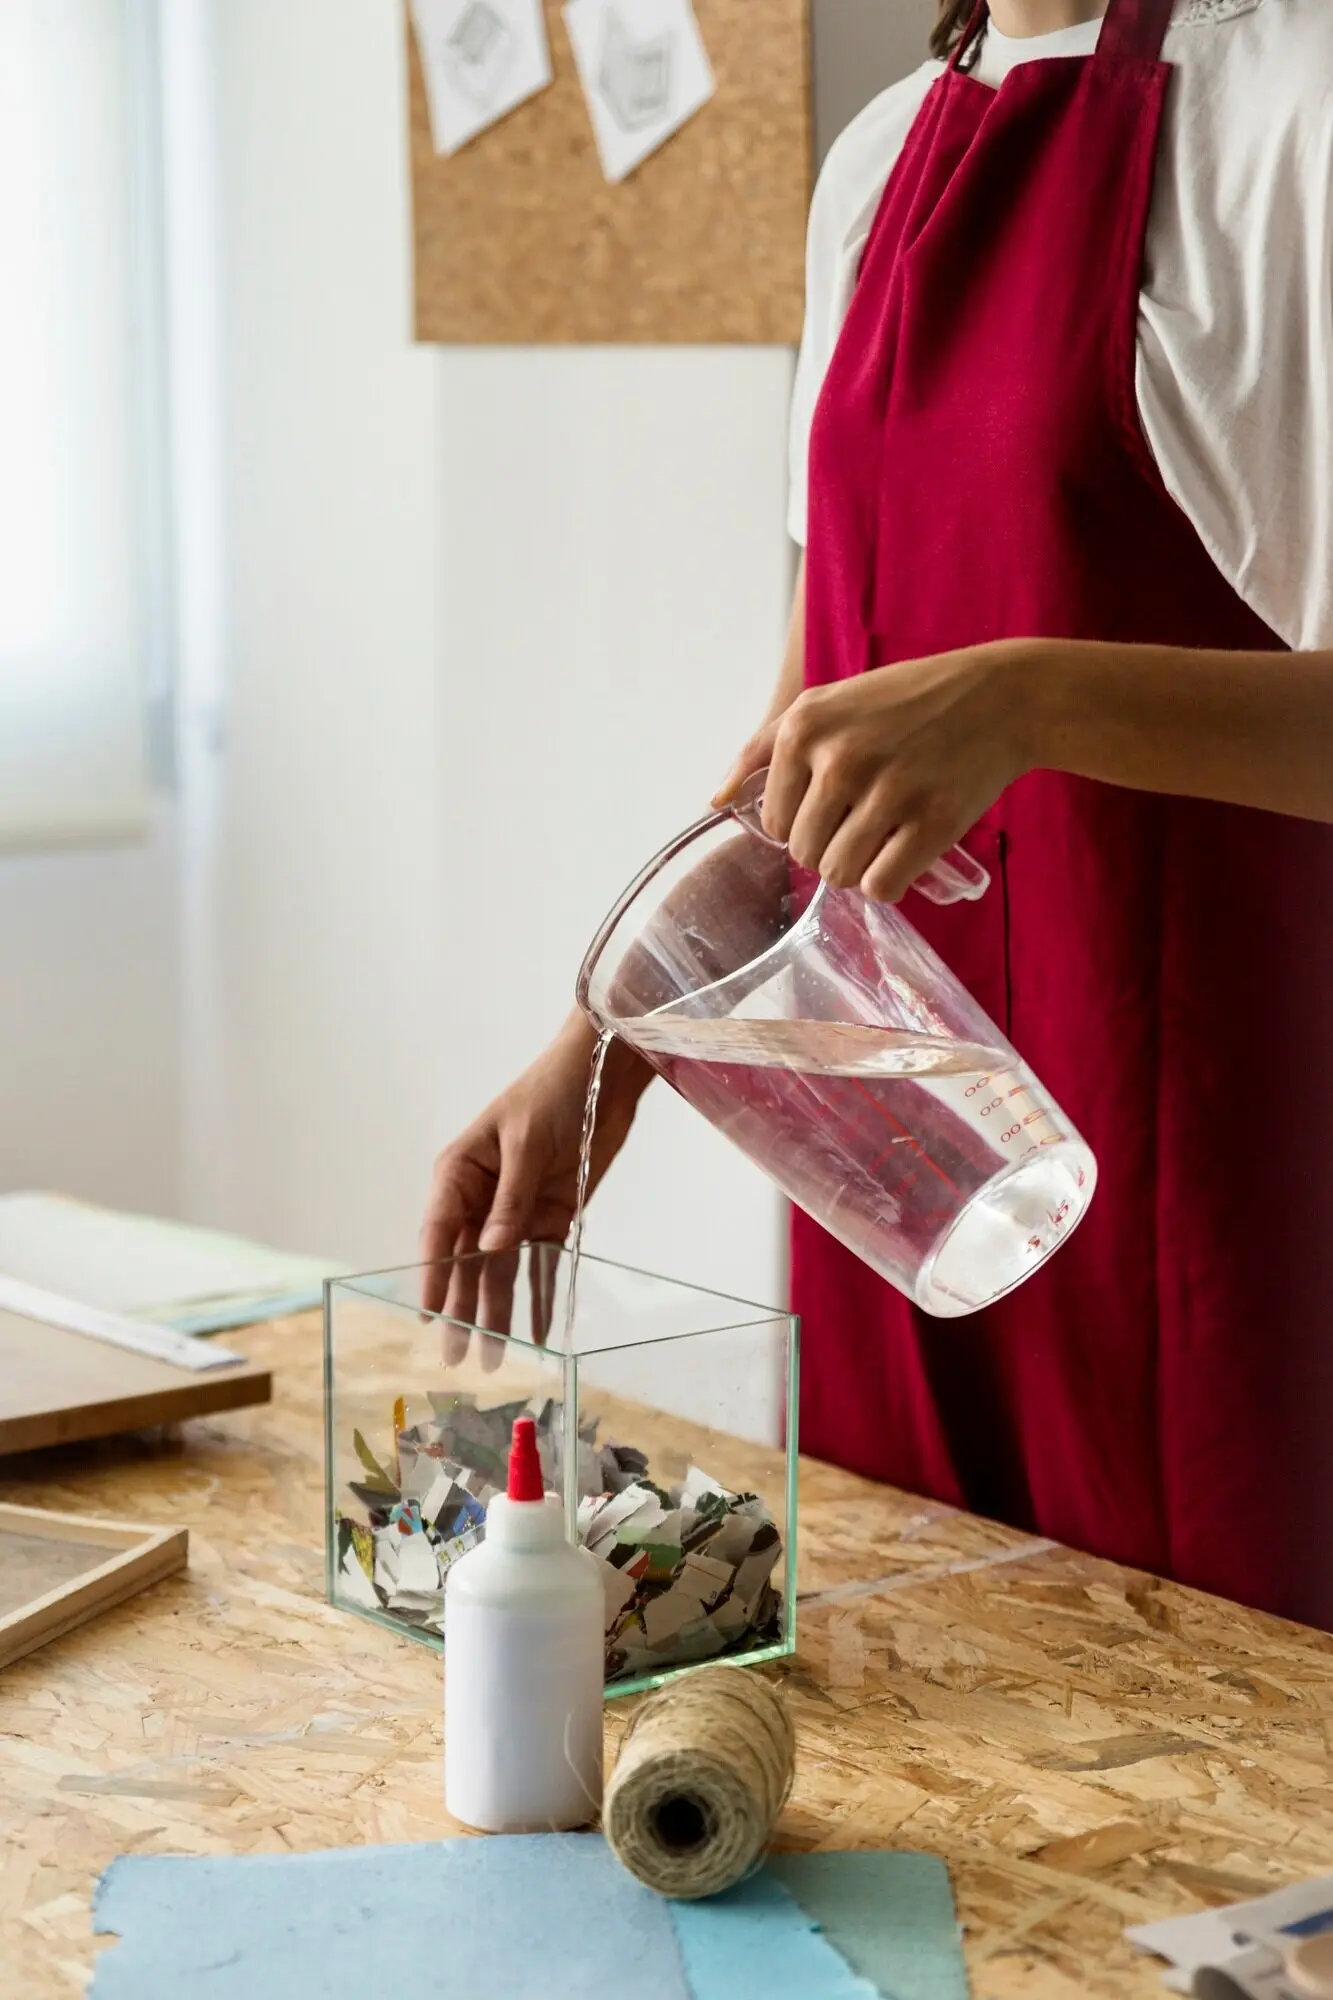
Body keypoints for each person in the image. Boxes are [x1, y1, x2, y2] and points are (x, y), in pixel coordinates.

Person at [422, 0, 1333, 1630]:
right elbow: (806, 732)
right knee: (930, 1725)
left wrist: (1033, 696)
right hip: (898, 1173)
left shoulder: (1296, 109)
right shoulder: (876, 163)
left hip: (1219, 1196)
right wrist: (609, 1035)